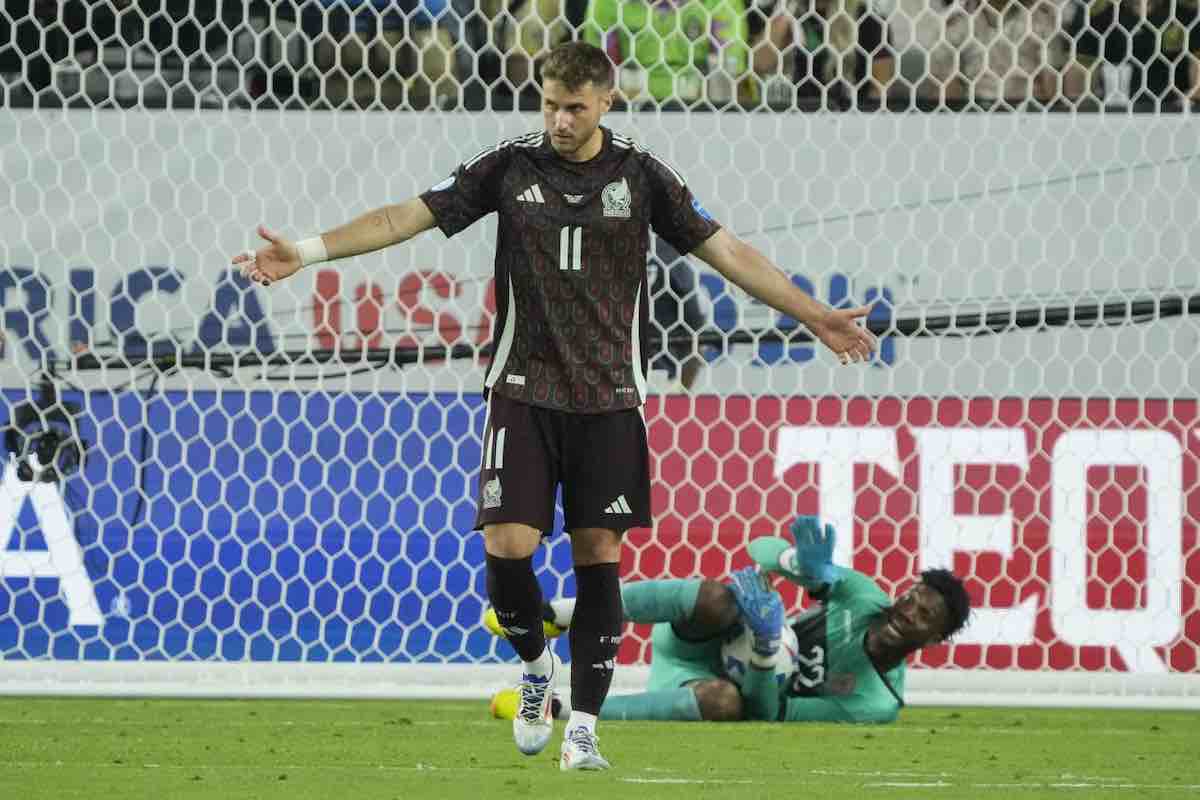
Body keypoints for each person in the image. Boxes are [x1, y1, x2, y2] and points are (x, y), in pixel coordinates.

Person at [233, 41, 876, 770]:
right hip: (522, 390)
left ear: (607, 102)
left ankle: (585, 729)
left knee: (598, 557)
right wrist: (308, 251)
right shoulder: (511, 165)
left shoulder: (643, 177)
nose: (561, 120)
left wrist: (815, 315)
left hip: (609, 400)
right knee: (506, 548)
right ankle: (537, 668)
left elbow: (729, 253)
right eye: (549, 105)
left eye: (575, 107)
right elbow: (400, 219)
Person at [488, 516, 971, 723]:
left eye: (925, 614)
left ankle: (555, 708)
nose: (908, 610)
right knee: (720, 597)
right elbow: (760, 548)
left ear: (935, 639)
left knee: (727, 704)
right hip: (700, 637)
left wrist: (765, 650)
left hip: (708, 687)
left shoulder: (874, 702)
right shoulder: (864, 598)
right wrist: (802, 566)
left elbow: (771, 714)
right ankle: (559, 614)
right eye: (912, 597)